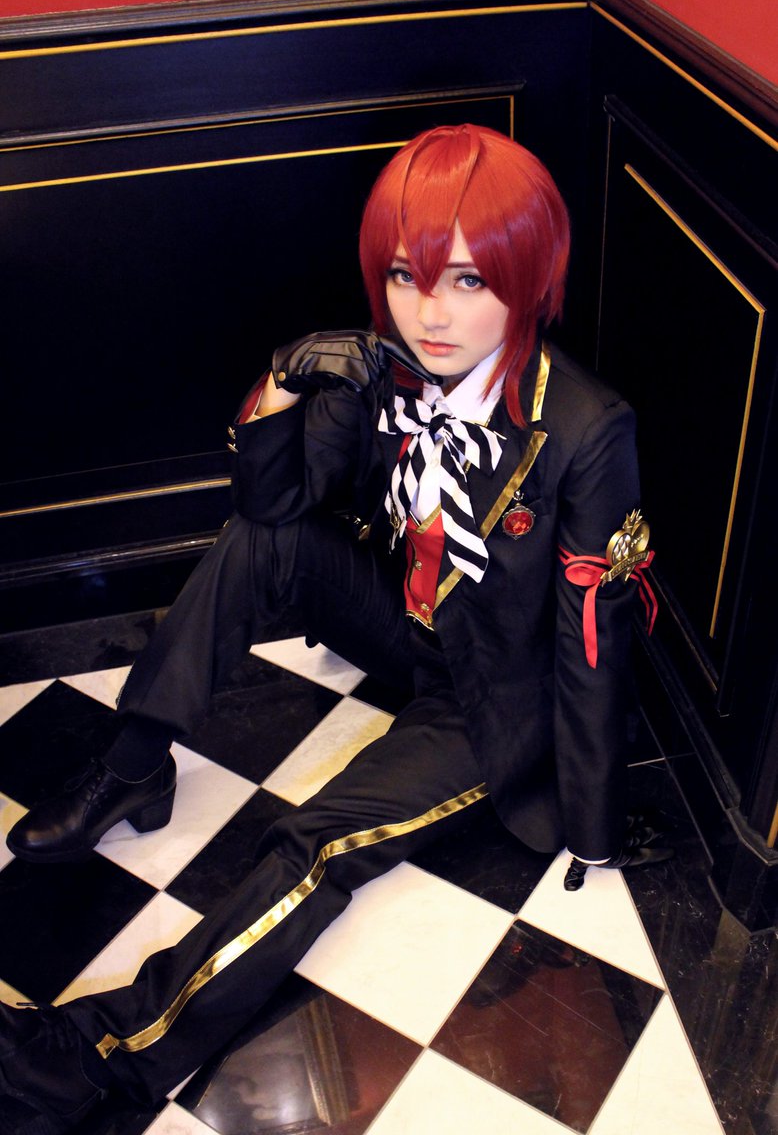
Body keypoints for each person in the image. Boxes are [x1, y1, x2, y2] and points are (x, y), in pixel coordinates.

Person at [0, 124, 668, 1134]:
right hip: (409, 623)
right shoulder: (385, 362)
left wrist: (592, 822)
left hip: (491, 700)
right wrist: (284, 379)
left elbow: (590, 637)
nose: (430, 314)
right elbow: (275, 507)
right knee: (257, 544)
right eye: (407, 276)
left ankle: (107, 1051)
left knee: (312, 841)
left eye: (468, 281)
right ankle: (132, 766)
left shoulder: (583, 426)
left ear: (526, 278)